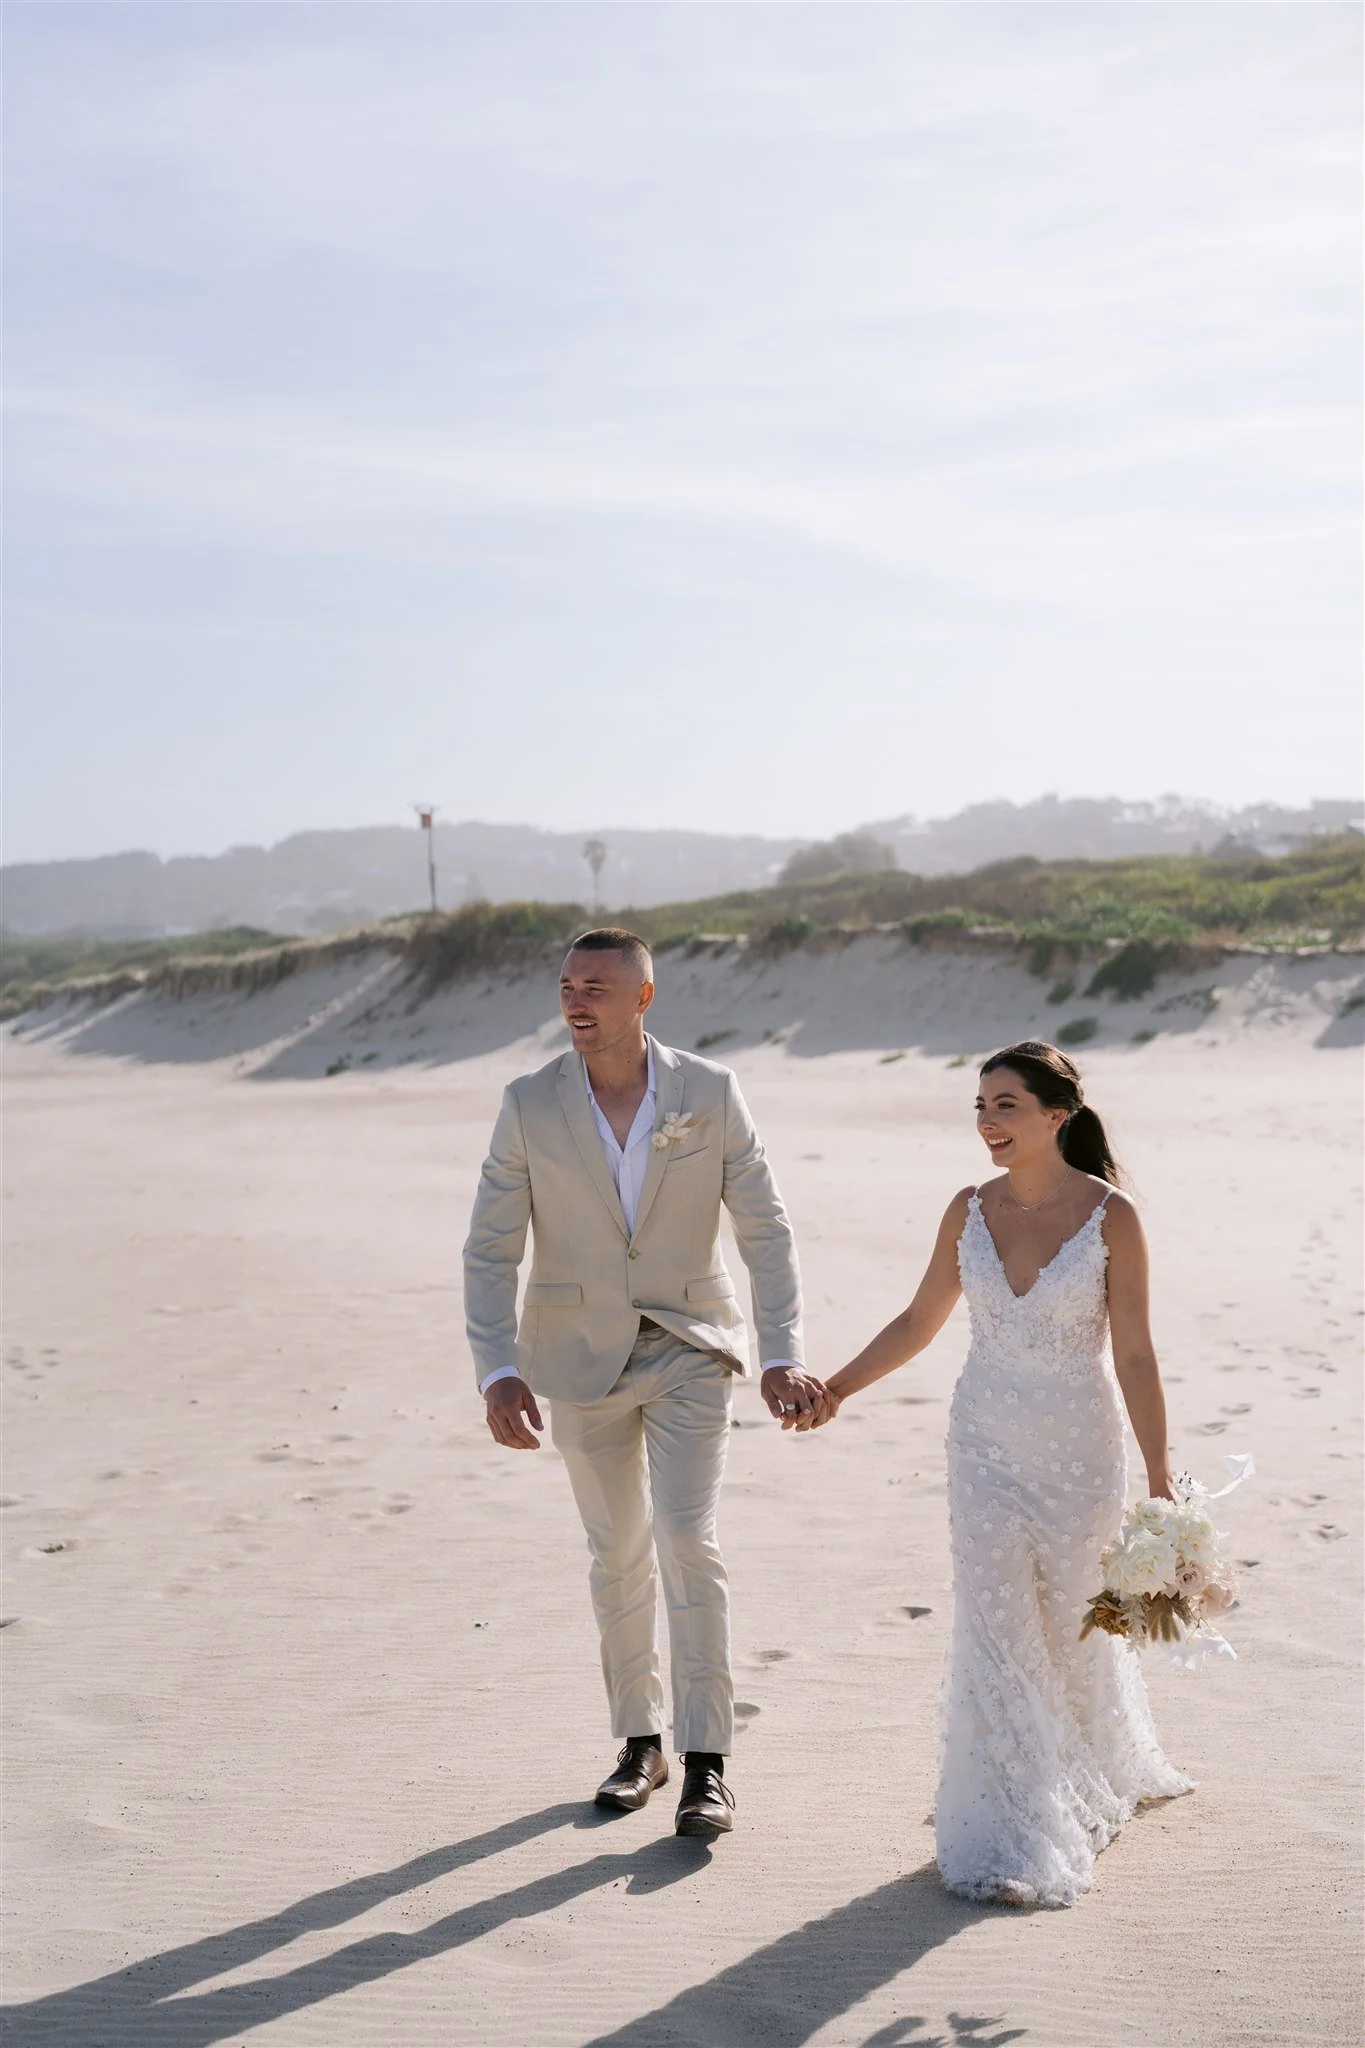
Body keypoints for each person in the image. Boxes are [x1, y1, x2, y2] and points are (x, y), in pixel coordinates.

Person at [463, 928, 835, 1840]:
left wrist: (780, 1349)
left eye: (595, 986)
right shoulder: (527, 1102)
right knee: (616, 1554)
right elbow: (491, 1248)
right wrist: (498, 1368)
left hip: (689, 1345)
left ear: (643, 997)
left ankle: (707, 1763)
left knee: (684, 1538)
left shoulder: (709, 1091)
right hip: (576, 1357)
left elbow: (765, 1229)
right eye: (565, 986)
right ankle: (641, 1744)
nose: (575, 1001)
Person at [825, 1041, 1191, 1906]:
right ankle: (1013, 1830)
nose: (988, 1123)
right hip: (982, 1444)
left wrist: (1159, 1475)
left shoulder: (1111, 1217)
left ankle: (1087, 1767)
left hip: (1078, 1451)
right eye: (980, 1107)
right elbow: (918, 1321)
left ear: (1057, 1115)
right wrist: (836, 1389)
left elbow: (1135, 1355)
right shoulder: (967, 1209)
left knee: (1071, 1624)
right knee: (996, 1625)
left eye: (1006, 1106)